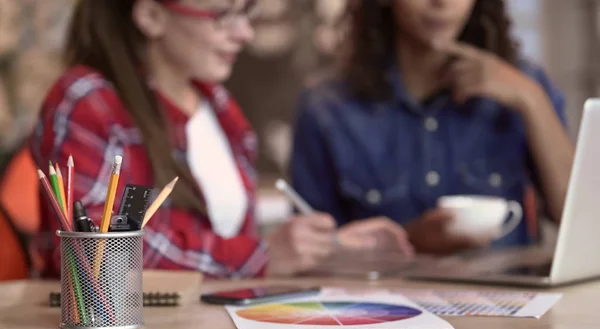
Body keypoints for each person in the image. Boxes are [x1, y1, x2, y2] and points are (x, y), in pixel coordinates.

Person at [30, 0, 413, 279]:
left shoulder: (220, 107)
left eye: (246, 11)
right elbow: (98, 252)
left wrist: (330, 247)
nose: (244, 33)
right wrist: (259, 256)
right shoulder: (90, 100)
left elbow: (226, 244)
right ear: (150, 15)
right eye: (222, 14)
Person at [290, 0, 574, 255]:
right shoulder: (327, 107)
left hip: (512, 301)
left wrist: (532, 101)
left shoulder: (525, 85)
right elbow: (315, 253)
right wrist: (409, 241)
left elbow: (580, 220)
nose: (442, 3)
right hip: (388, 304)